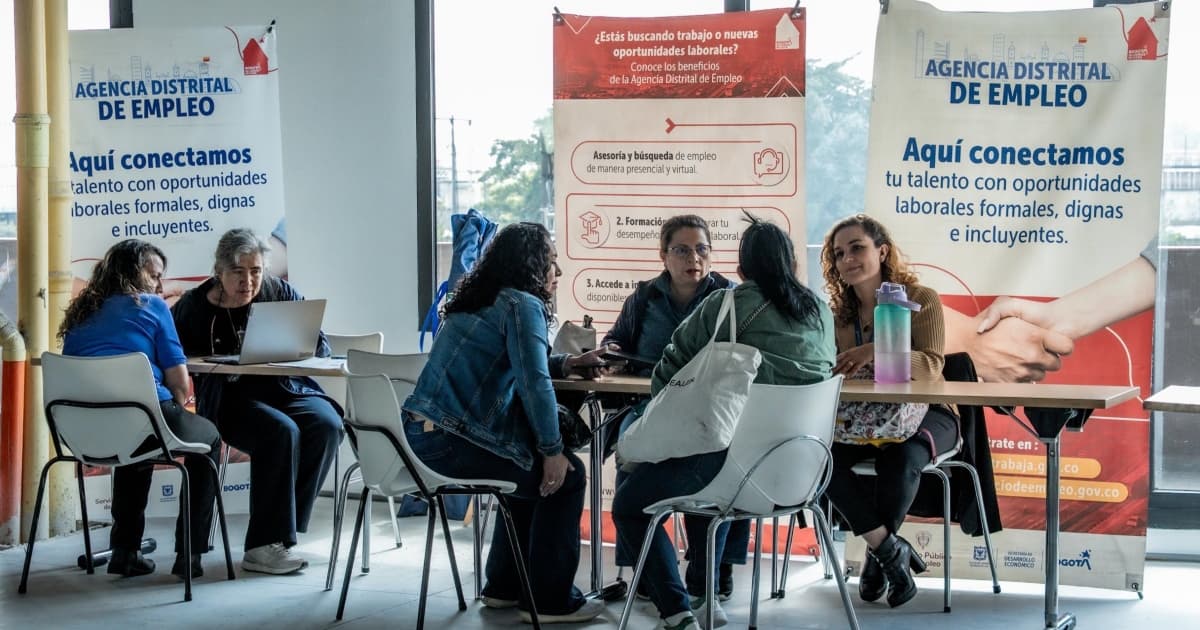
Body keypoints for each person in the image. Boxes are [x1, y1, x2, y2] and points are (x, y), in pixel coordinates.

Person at [612, 218, 835, 629]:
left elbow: (668, 377)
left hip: (726, 469)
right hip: (802, 473)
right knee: (706, 465)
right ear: (790, 262)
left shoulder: (725, 305)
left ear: (742, 266)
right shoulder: (820, 312)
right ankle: (706, 586)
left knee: (628, 504)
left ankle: (678, 611)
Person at [401, 222, 608, 624]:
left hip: (424, 435)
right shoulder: (521, 304)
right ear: (531, 266)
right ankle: (551, 601)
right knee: (568, 475)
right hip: (452, 441)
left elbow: (517, 362)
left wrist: (568, 362)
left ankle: (504, 588)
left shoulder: (480, 299)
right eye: (551, 263)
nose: (557, 273)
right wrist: (552, 451)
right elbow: (533, 383)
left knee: (522, 470)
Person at [171, 228, 341, 575]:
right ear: (219, 271)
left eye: (256, 272)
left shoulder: (278, 291)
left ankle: (278, 533)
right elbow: (172, 353)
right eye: (238, 272)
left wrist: (299, 345)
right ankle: (263, 545)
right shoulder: (194, 306)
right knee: (280, 432)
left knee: (327, 424)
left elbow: (319, 345)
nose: (248, 281)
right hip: (229, 398)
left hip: (285, 389)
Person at [600, 214, 744, 602]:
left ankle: (712, 568)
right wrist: (611, 353)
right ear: (663, 255)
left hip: (709, 412)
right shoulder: (645, 296)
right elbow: (617, 340)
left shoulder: (730, 297)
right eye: (681, 250)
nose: (692, 258)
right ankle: (649, 569)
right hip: (651, 406)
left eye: (701, 249)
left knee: (724, 460)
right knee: (631, 467)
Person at [819, 214, 959, 608]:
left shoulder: (921, 298)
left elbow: (932, 367)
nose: (847, 258)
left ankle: (875, 559)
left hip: (928, 413)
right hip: (864, 417)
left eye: (857, 247)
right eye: (839, 253)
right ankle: (888, 550)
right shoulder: (836, 316)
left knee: (901, 458)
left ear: (882, 251)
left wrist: (873, 351)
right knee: (818, 458)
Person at [60, 239, 221, 580]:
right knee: (206, 441)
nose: (160, 286)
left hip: (81, 431)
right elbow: (180, 383)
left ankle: (125, 551)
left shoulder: (81, 311)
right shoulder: (151, 305)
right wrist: (177, 412)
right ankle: (189, 555)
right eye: (154, 275)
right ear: (132, 273)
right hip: (140, 420)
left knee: (137, 440)